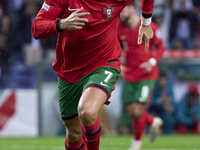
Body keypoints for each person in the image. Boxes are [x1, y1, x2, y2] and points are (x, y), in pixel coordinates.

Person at [31, 0, 155, 149]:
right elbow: (36, 29)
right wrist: (61, 23)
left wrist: (146, 21)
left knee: (87, 112)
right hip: (70, 69)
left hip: (104, 63)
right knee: (73, 133)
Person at [118, 3, 164, 150]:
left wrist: (152, 61)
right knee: (132, 111)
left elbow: (161, 46)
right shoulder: (118, 28)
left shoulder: (148, 26)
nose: (121, 12)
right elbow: (114, 49)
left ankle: (136, 143)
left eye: (124, 8)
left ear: (132, 8)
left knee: (137, 110)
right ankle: (152, 122)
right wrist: (119, 65)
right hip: (130, 75)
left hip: (147, 75)